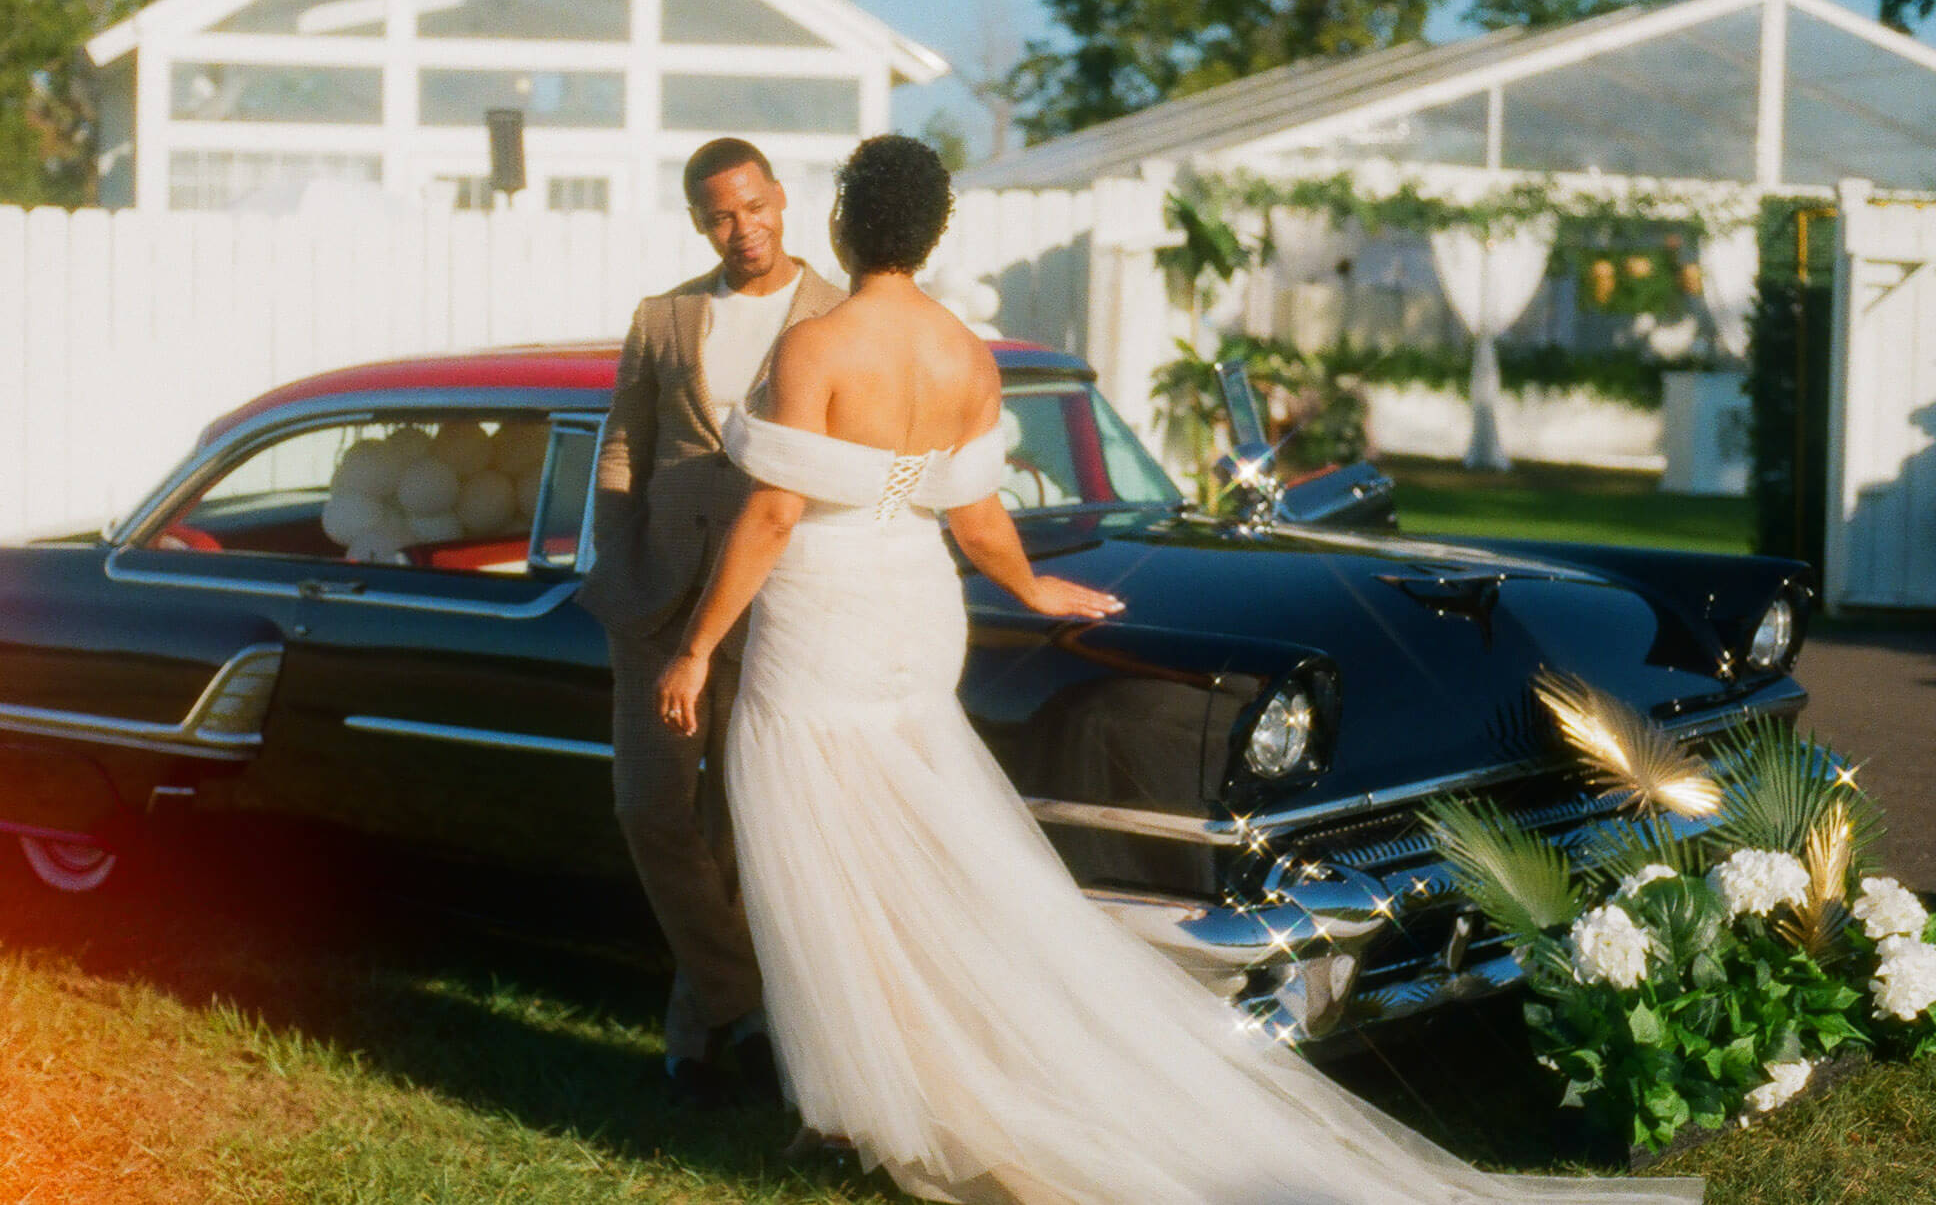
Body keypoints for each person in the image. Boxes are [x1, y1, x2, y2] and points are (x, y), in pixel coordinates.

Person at [652, 135, 1703, 1205]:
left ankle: (860, 1103)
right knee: (920, 843)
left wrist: (693, 645)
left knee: (829, 854)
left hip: (826, 610)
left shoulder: (815, 344)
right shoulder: (965, 355)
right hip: (915, 609)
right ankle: (890, 1091)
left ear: (840, 221)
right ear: (929, 233)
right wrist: (1030, 587)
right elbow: (973, 513)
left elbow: (776, 508)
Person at [581, 137, 845, 1106]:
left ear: (782, 198)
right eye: (721, 216)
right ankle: (747, 999)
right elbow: (622, 443)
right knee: (647, 806)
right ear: (699, 221)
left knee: (739, 821)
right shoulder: (665, 316)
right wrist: (615, 553)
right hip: (655, 595)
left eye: (755, 207)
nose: (744, 230)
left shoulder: (838, 314)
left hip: (780, 593)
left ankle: (696, 1039)